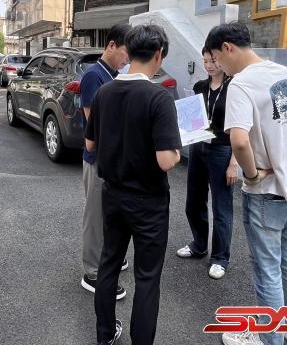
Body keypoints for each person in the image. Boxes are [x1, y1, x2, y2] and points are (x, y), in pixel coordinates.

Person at [205, 22, 287, 345]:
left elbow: (238, 141)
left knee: (268, 271)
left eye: (216, 58)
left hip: (266, 193)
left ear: (227, 48)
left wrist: (251, 175)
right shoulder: (286, 75)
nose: (218, 66)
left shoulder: (241, 84)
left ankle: (269, 339)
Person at [85, 24, 182, 345]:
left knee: (109, 264)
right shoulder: (158, 97)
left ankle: (104, 335)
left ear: (130, 51)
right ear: (158, 55)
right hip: (148, 202)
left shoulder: (104, 92)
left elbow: (89, 144)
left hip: (112, 195)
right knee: (147, 278)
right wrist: (178, 148)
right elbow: (166, 160)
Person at [176, 46, 239, 280]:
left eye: (212, 60)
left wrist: (234, 162)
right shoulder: (200, 87)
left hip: (222, 149)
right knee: (194, 201)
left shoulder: (234, 87)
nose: (209, 65)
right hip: (198, 146)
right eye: (205, 61)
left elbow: (241, 127)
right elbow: (193, 119)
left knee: (222, 207)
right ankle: (199, 244)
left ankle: (220, 257)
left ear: (221, 58)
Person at [80, 24, 131, 300]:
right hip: (97, 159)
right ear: (111, 45)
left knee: (110, 214)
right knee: (95, 216)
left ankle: (109, 258)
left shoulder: (113, 76)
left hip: (112, 160)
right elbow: (94, 124)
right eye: (125, 53)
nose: (127, 60)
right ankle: (92, 272)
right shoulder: (93, 76)